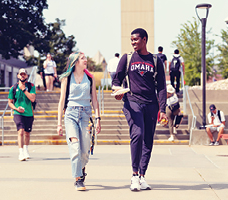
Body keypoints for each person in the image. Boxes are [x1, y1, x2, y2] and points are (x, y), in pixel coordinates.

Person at [112, 28, 168, 191]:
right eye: (131, 40)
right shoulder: (127, 58)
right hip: (132, 101)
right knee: (138, 133)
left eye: (136, 39)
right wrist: (117, 91)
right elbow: (117, 79)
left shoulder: (156, 60)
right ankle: (134, 175)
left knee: (148, 140)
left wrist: (162, 109)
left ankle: (142, 175)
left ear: (144, 39)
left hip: (151, 104)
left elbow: (162, 87)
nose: (133, 42)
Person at [57, 52, 101, 191]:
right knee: (75, 147)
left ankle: (81, 169)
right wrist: (59, 123)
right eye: (82, 58)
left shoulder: (90, 77)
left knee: (85, 149)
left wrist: (98, 118)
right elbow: (62, 101)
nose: (86, 60)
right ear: (75, 62)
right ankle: (78, 179)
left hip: (85, 114)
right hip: (70, 114)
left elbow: (94, 99)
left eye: (85, 58)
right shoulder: (66, 78)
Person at [8, 68, 36, 161]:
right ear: (18, 76)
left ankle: (26, 149)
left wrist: (24, 90)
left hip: (29, 113)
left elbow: (32, 99)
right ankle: (20, 152)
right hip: (18, 113)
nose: (22, 75)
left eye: (24, 74)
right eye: (21, 74)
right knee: (20, 131)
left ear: (26, 75)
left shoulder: (31, 86)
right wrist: (16, 108)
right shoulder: (13, 88)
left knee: (27, 133)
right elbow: (10, 102)